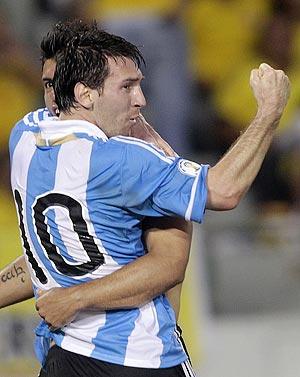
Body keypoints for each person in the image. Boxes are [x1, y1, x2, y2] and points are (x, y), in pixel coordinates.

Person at [9, 20, 289, 377]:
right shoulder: (127, 160)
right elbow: (222, 191)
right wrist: (268, 113)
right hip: (142, 359)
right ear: (84, 94)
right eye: (127, 87)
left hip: (65, 356)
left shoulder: (24, 138)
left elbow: (44, 252)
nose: (140, 99)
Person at [2, 19, 193, 373]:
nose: (54, 99)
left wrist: (75, 299)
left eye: (62, 85)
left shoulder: (137, 162)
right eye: (47, 85)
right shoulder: (56, 157)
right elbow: (51, 261)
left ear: (89, 92)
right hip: (72, 352)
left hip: (144, 357)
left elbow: (168, 265)